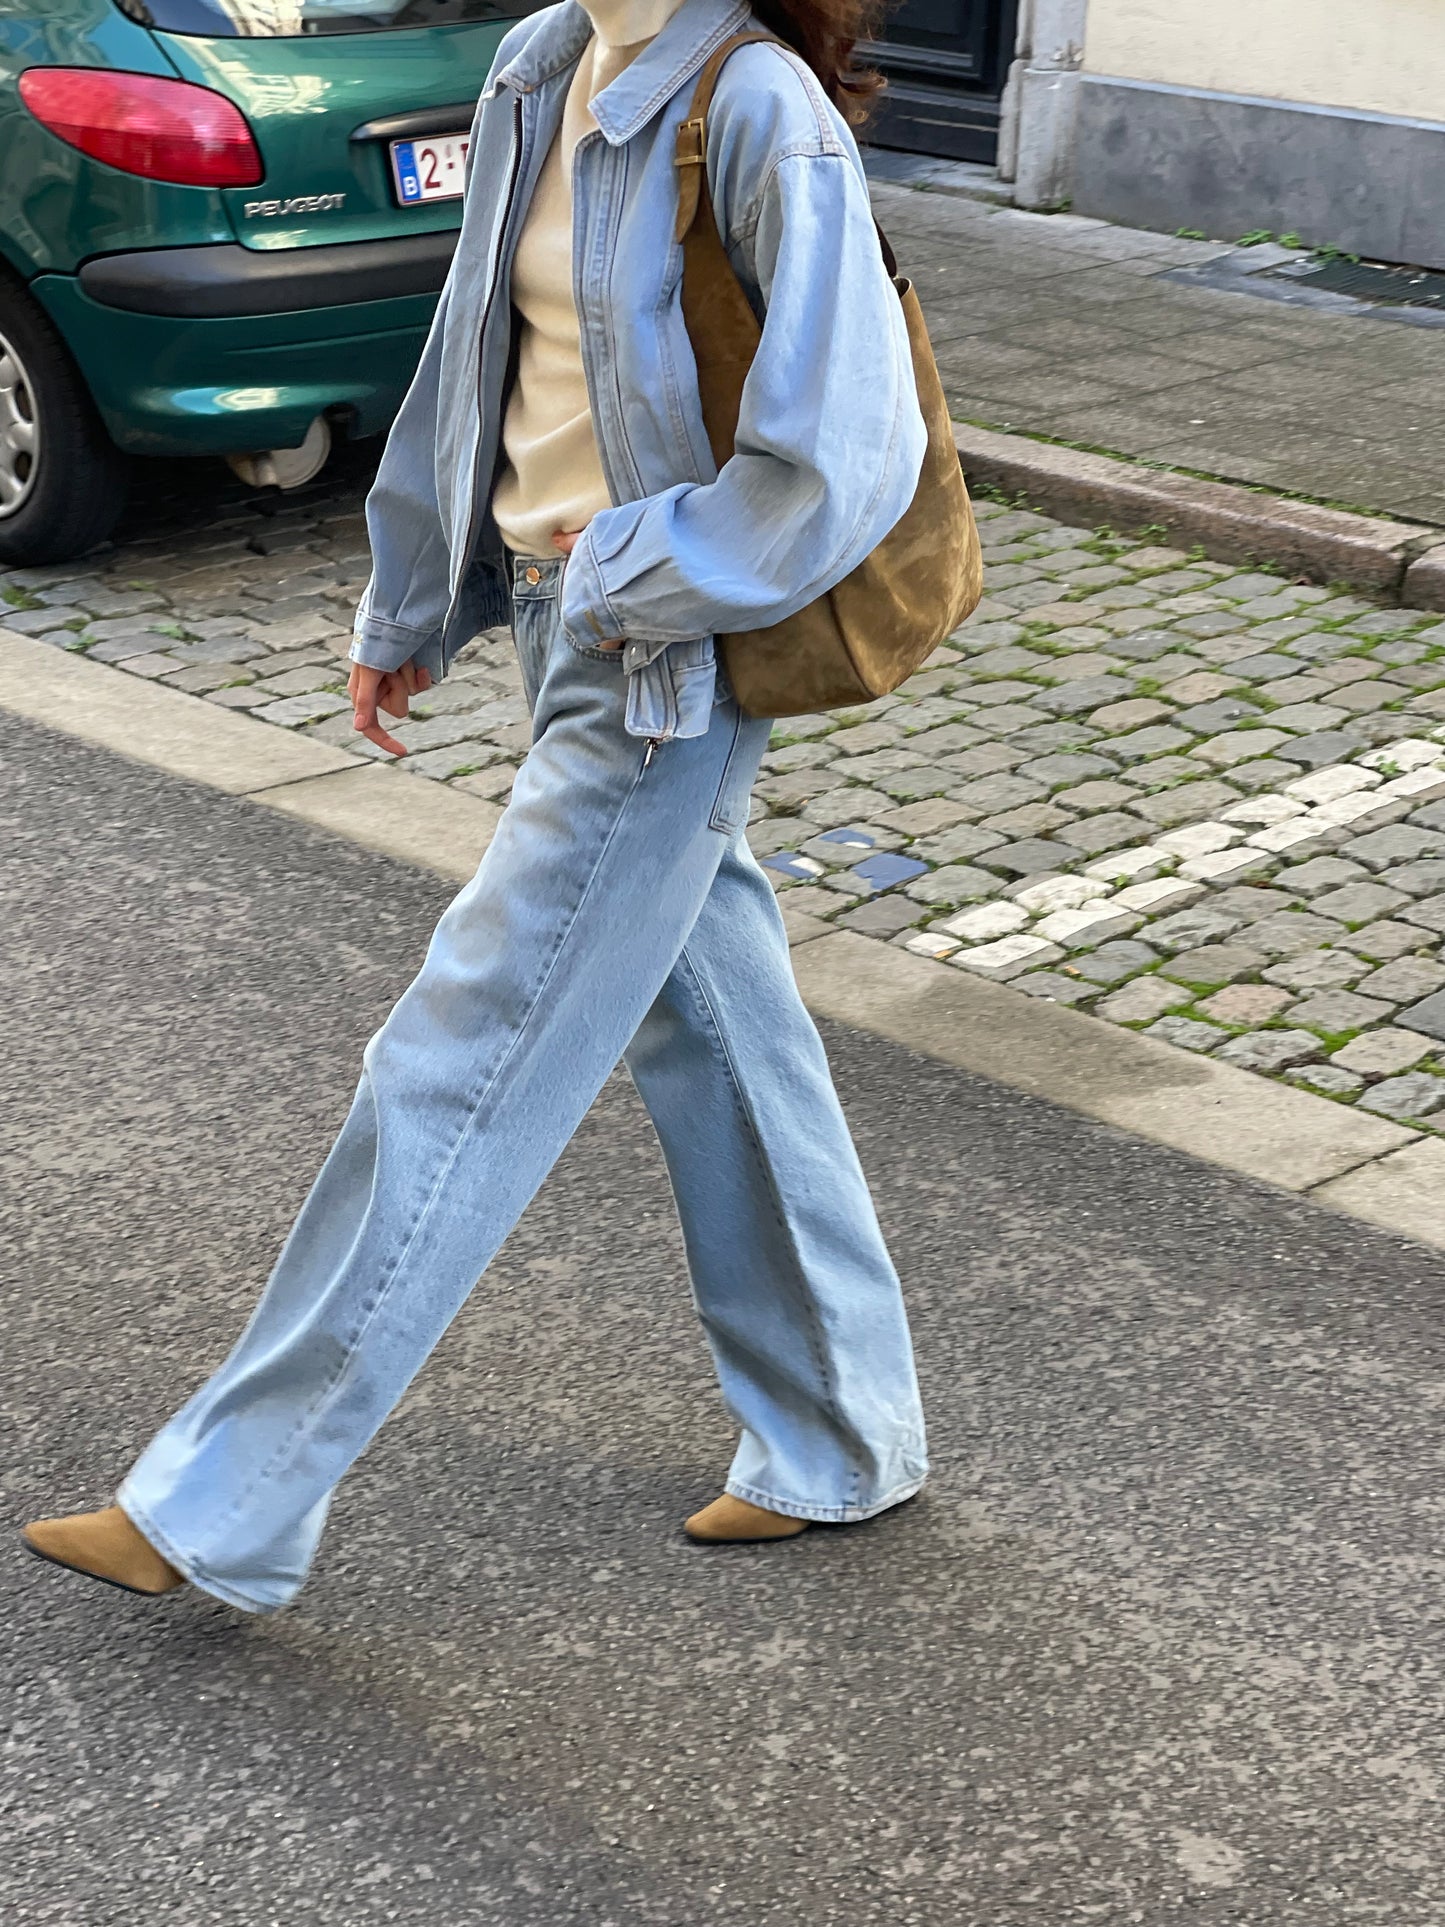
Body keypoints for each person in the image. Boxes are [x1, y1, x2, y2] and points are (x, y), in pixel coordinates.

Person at [22, 0, 930, 1610]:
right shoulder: (538, 62)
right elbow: (474, 362)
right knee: (714, 1025)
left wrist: (634, 573)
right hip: (553, 613)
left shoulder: (760, 107)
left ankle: (221, 1506)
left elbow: (847, 450)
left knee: (458, 1055)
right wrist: (412, 599)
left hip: (662, 656)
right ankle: (840, 1433)